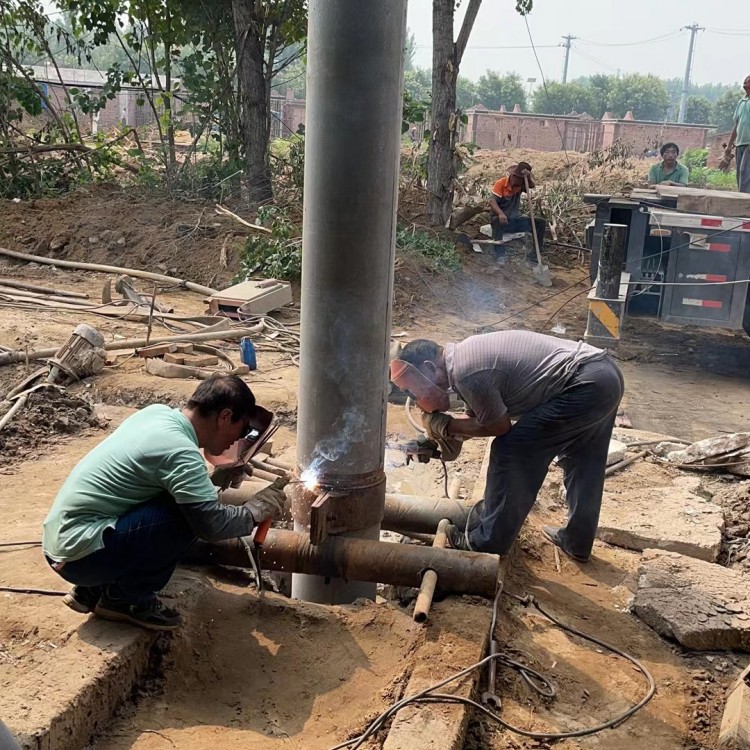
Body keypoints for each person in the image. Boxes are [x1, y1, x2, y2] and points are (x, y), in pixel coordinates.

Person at [42, 376, 287, 631]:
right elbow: (212, 525)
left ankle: (92, 590)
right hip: (81, 559)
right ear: (225, 417)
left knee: (182, 502)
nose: (239, 439)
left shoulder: (156, 414)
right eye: (244, 429)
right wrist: (255, 511)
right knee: (187, 518)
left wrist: (215, 478)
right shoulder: (181, 452)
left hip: (66, 544)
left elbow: (157, 479)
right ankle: (126, 599)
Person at [390, 331, 624, 562]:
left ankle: (486, 542)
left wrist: (448, 426)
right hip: (604, 377)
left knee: (511, 450)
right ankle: (577, 541)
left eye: (414, 389)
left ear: (430, 367)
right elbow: (481, 420)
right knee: (582, 460)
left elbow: (497, 427)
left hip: (583, 384)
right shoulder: (464, 360)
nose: (416, 397)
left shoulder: (467, 373)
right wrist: (434, 440)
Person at [489, 162, 546, 264]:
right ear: (513, 176)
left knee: (540, 223)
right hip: (500, 220)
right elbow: (492, 202)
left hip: (514, 220)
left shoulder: (520, 185)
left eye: (521, 180)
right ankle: (499, 254)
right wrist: (500, 214)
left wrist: (527, 177)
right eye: (519, 179)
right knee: (498, 221)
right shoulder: (501, 183)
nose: (520, 182)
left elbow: (532, 186)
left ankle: (535, 254)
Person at [720, 74, 750, 193]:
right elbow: (737, 125)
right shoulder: (741, 102)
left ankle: (745, 202)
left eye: (749, 80)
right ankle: (742, 198)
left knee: (745, 172)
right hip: (740, 143)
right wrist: (729, 145)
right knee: (740, 174)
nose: (746, 81)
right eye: (746, 79)